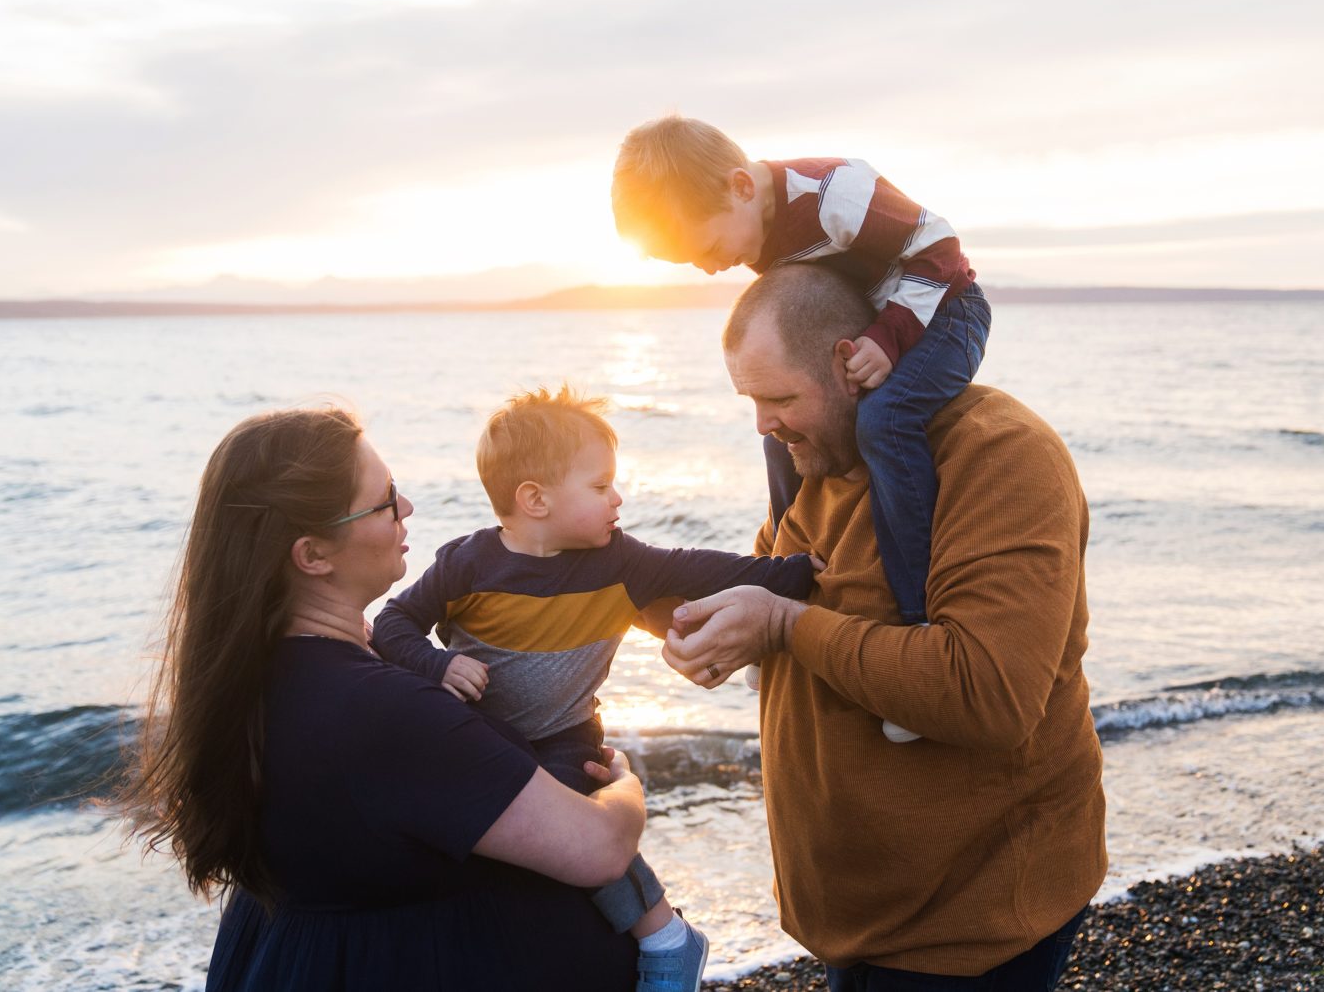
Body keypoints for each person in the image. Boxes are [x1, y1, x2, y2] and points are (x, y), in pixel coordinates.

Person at [661, 264, 1106, 991]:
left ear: (849, 363)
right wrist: (717, 631)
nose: (762, 425)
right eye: (750, 400)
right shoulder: (815, 461)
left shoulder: (999, 453)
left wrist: (781, 623)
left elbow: (987, 690)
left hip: (968, 926)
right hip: (855, 918)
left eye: (778, 398)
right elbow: (792, 601)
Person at [117, 406, 647, 991]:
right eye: (386, 499)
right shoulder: (378, 709)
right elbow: (598, 849)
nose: (408, 509)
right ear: (313, 555)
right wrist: (622, 785)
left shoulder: (262, 674)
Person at [372, 385, 819, 992]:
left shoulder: (620, 563)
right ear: (535, 500)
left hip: (566, 734)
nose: (619, 499)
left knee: (564, 815)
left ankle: (663, 935)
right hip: (485, 734)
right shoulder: (466, 565)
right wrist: (436, 665)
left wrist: (796, 574)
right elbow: (395, 623)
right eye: (601, 486)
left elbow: (703, 567)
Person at [612, 118, 990, 700]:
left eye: (709, 249)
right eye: (694, 264)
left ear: (741, 186)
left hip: (945, 314)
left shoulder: (835, 194)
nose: (712, 268)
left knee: (885, 421)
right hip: (873, 324)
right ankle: (787, 578)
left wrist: (888, 338)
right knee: (778, 434)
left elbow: (941, 252)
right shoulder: (755, 225)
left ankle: (913, 611)